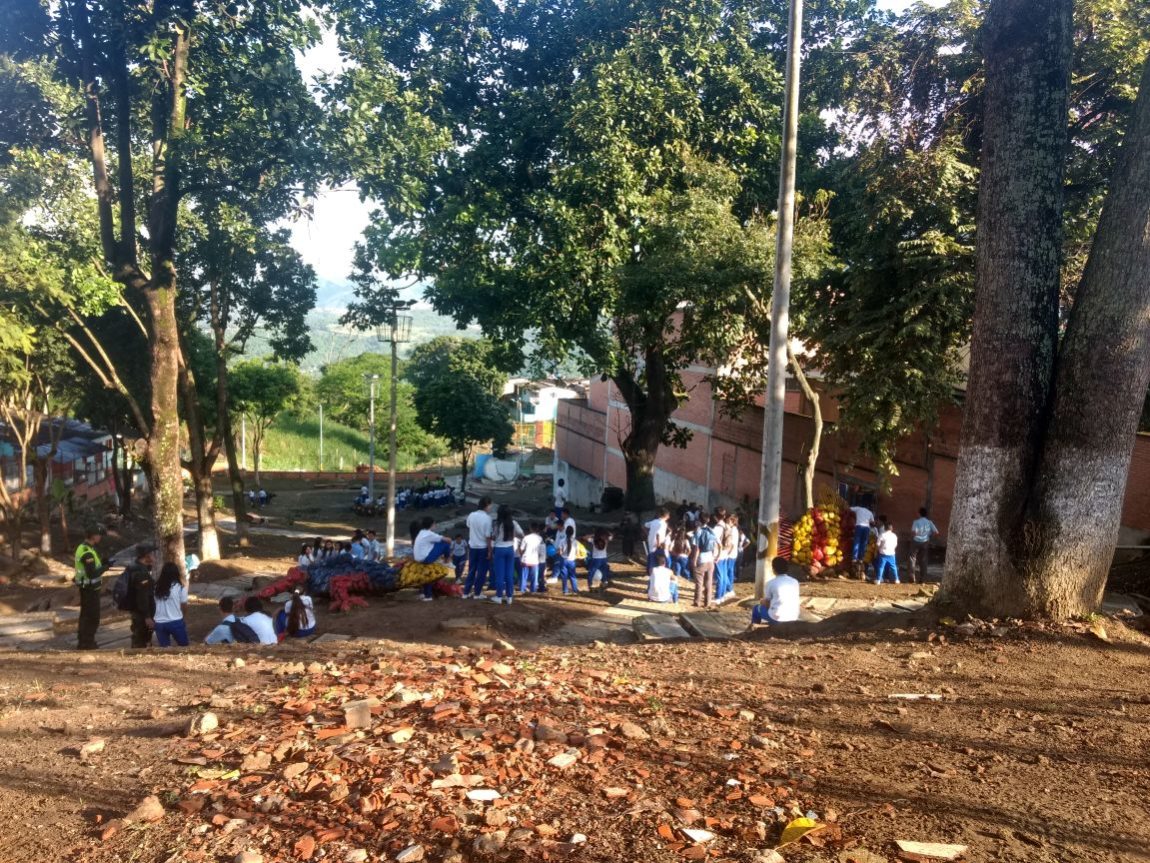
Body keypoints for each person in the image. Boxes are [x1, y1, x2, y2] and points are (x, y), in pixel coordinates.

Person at [73, 527, 107, 650]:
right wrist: (106, 567)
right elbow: (92, 573)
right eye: (99, 535)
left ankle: (84, 641)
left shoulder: (85, 548)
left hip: (88, 588)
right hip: (89, 589)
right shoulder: (87, 551)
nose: (100, 537)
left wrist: (103, 563)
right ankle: (86, 643)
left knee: (86, 615)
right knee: (91, 616)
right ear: (93, 536)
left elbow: (92, 567)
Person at [124, 544, 157, 648]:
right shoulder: (141, 572)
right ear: (146, 556)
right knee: (140, 638)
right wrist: (147, 616)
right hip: (141, 612)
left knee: (141, 636)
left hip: (137, 609)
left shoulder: (137, 567)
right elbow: (142, 595)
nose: (154, 556)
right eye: (152, 554)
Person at [413, 515, 453, 601]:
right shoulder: (429, 534)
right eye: (434, 524)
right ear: (432, 524)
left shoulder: (421, 532)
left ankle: (426, 595)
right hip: (425, 558)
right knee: (445, 544)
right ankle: (447, 561)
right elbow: (447, 540)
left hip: (418, 558)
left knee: (427, 574)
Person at [490, 504, 523, 604]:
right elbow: (521, 534)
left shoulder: (497, 524)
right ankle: (509, 597)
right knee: (509, 574)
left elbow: (493, 537)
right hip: (510, 549)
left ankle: (499, 597)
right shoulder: (514, 523)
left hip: (499, 549)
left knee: (500, 575)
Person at [753, 557, 800, 624]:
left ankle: (754, 630)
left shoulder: (770, 583)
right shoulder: (795, 581)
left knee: (756, 609)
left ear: (773, 569)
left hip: (778, 618)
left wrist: (762, 602)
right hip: (794, 617)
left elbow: (767, 603)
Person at [152, 561, 189, 647]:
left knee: (165, 651)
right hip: (176, 621)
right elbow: (184, 604)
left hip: (159, 622)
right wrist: (184, 616)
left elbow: (154, 603)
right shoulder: (180, 587)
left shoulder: (156, 587)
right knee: (184, 647)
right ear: (176, 573)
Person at [464, 497, 494, 599]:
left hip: (472, 546)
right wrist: (490, 550)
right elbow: (488, 536)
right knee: (481, 571)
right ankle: (477, 593)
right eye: (490, 505)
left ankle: (466, 592)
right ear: (487, 505)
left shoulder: (471, 515)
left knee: (472, 569)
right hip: (483, 547)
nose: (491, 508)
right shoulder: (487, 518)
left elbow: (468, 525)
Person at [691, 515, 719, 609]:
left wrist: (694, 560)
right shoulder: (712, 531)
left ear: (699, 521)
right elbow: (719, 545)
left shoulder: (698, 531)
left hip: (701, 559)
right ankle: (707, 603)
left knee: (699, 582)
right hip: (710, 560)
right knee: (709, 582)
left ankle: (697, 601)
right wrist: (717, 556)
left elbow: (697, 548)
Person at [910, 507, 939, 584]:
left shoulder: (916, 522)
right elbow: (936, 532)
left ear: (919, 513)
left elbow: (914, 532)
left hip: (916, 541)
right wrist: (929, 536)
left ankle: (912, 577)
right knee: (923, 560)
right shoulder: (930, 522)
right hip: (925, 542)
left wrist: (915, 536)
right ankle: (922, 578)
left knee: (912, 558)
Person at [519, 523, 545, 594]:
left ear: (530, 529)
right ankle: (533, 590)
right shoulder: (540, 538)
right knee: (534, 577)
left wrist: (522, 556)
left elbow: (521, 549)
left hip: (526, 559)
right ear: (537, 529)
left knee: (524, 576)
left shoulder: (526, 538)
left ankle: (522, 589)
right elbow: (541, 550)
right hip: (534, 560)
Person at [850, 502, 875, 572]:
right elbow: (873, 523)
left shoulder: (858, 508)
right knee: (864, 543)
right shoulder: (870, 512)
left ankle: (854, 558)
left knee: (857, 542)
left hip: (859, 526)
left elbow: (849, 509)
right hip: (866, 528)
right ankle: (861, 558)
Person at [645, 507, 670, 574]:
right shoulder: (663, 524)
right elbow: (658, 534)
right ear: (667, 516)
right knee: (657, 557)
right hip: (658, 543)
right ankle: (654, 571)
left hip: (651, 540)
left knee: (650, 554)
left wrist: (648, 534)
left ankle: (649, 570)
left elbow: (645, 525)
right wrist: (659, 544)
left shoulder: (654, 521)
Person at [874, 519, 900, 584]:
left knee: (881, 567)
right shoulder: (894, 535)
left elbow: (877, 544)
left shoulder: (882, 535)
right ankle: (896, 579)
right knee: (894, 567)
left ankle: (878, 580)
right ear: (891, 528)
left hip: (883, 554)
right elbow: (895, 545)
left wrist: (877, 551)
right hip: (892, 553)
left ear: (884, 528)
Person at [557, 524, 580, 595]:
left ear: (565, 532)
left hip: (564, 560)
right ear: (573, 532)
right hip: (571, 560)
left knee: (564, 576)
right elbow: (577, 552)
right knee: (573, 576)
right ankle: (575, 590)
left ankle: (565, 591)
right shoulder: (575, 542)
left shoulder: (562, 541)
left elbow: (560, 552)